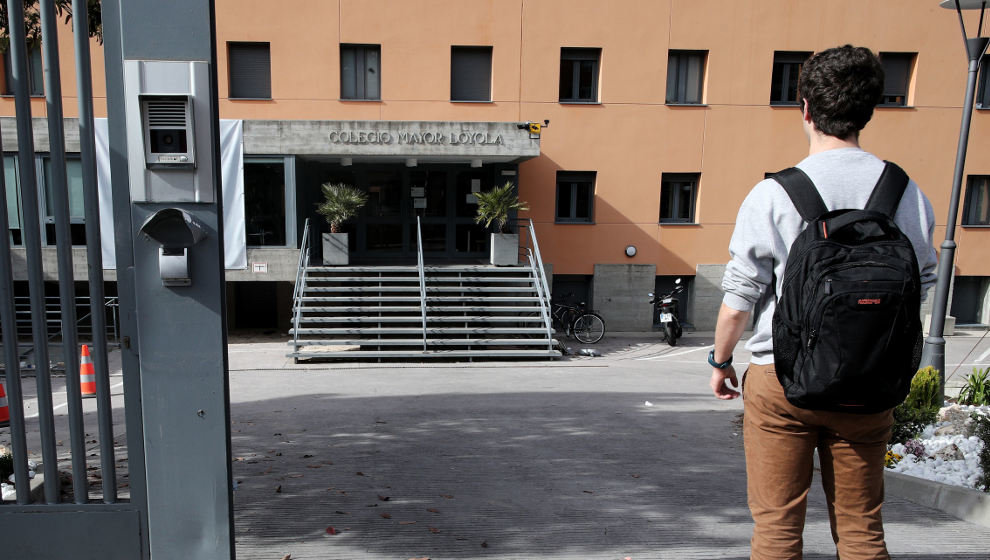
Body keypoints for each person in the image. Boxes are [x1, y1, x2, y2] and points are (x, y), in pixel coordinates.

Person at [709, 45, 938, 559]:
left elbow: (740, 298)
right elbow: (921, 282)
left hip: (782, 381)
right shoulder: (904, 192)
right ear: (870, 110)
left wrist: (720, 360)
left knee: (777, 530)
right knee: (862, 530)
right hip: (870, 381)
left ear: (806, 108)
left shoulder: (773, 195)